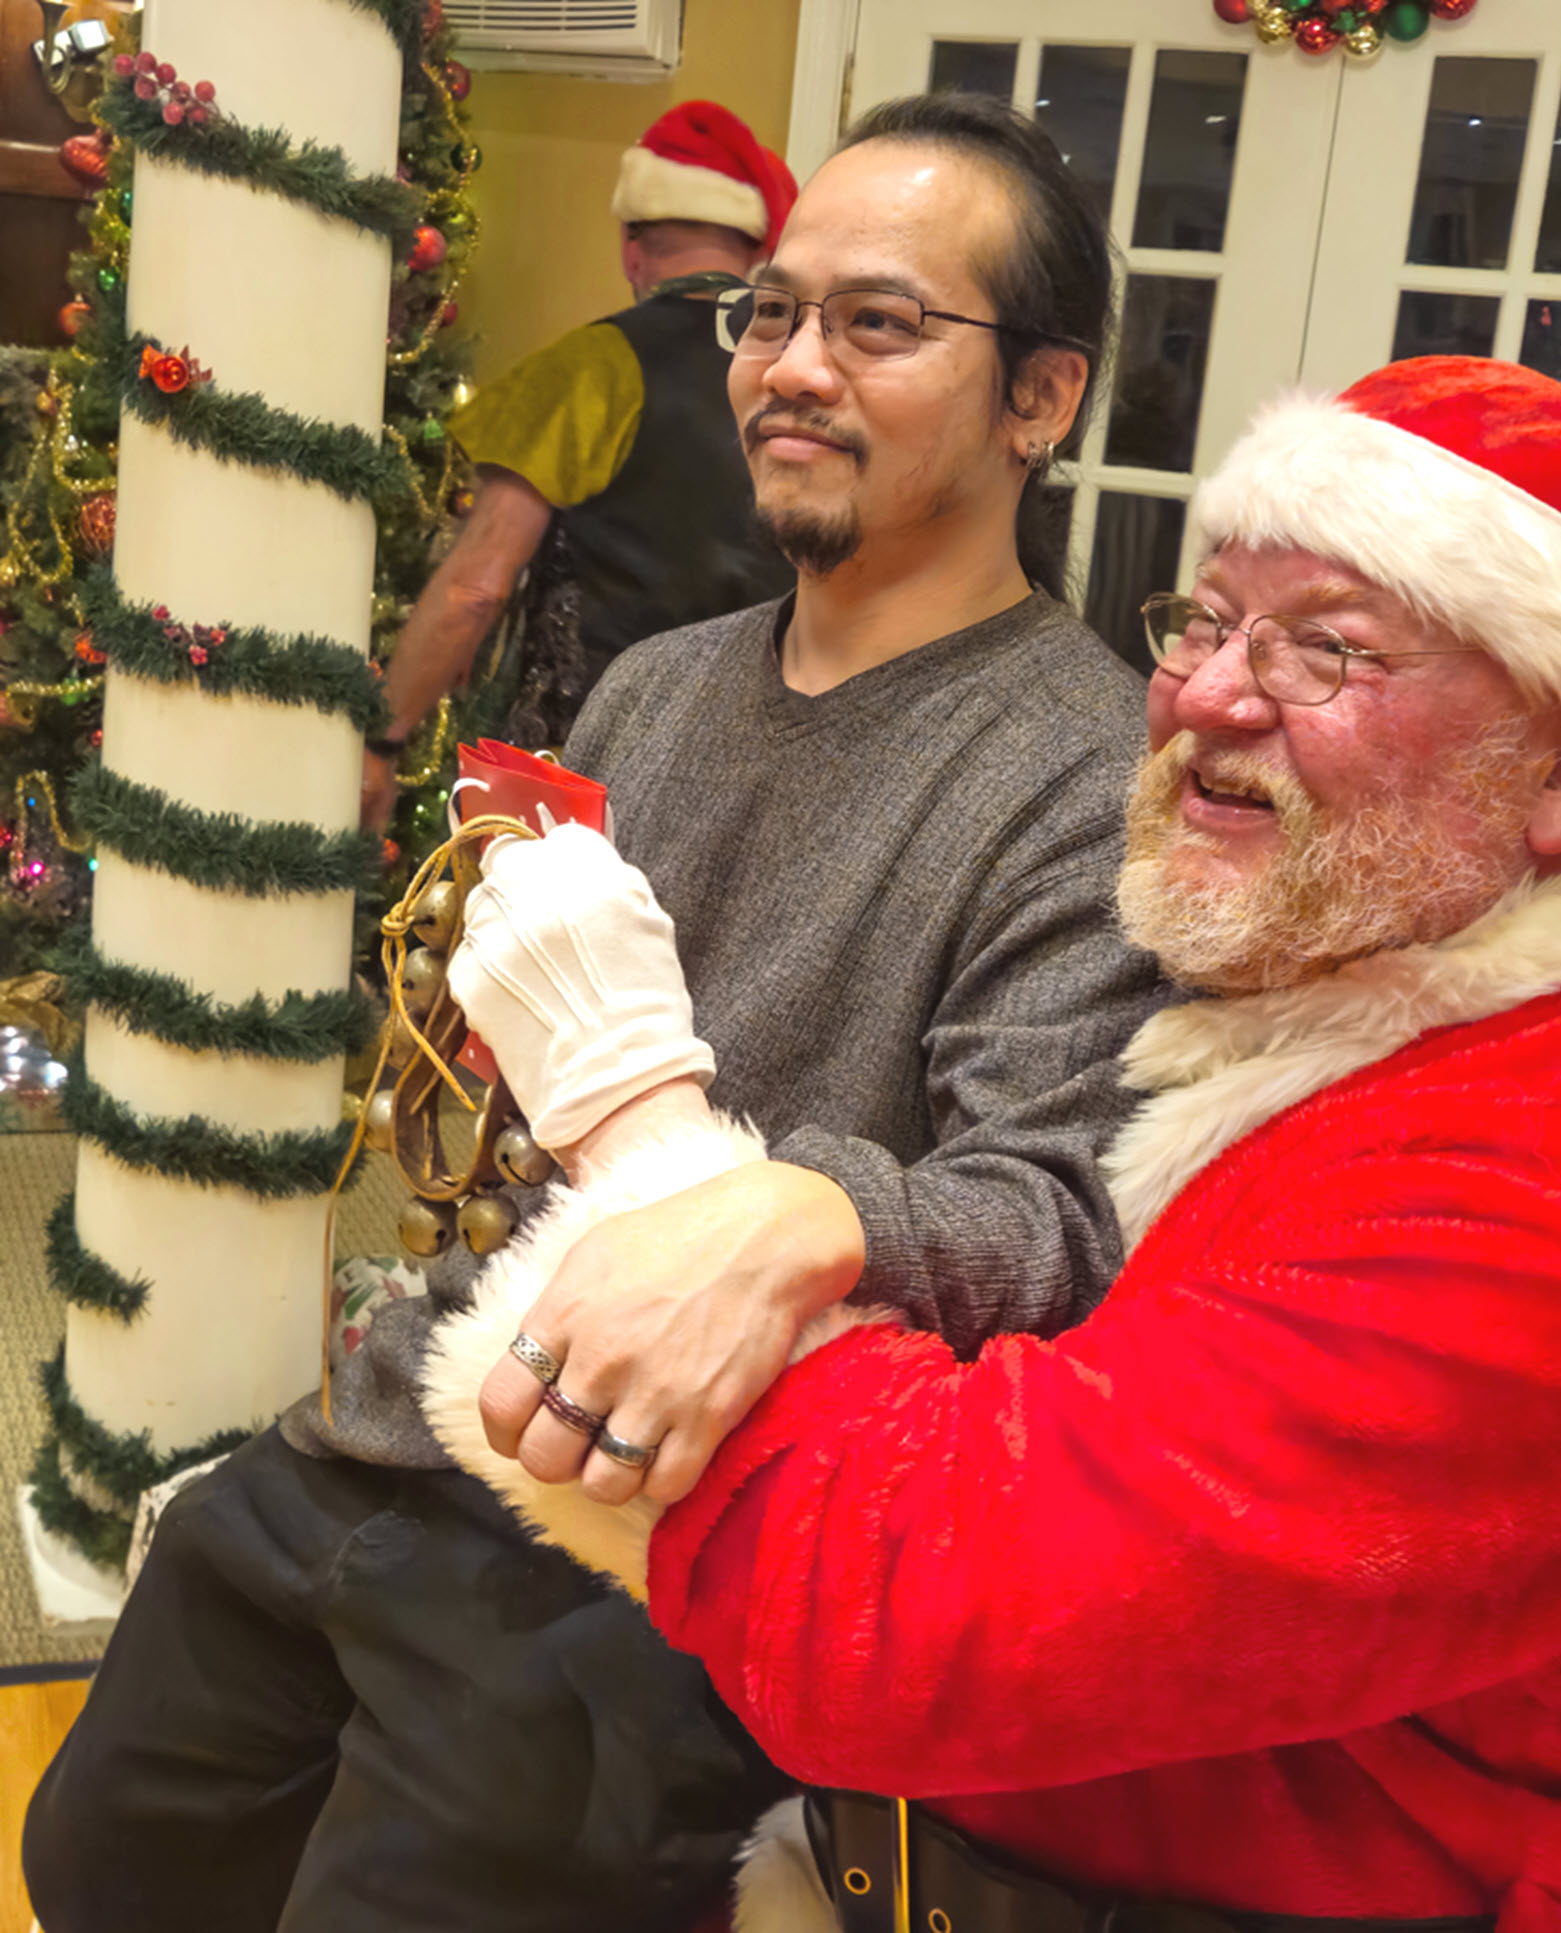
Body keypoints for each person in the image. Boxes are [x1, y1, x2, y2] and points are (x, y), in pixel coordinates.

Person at [449, 359, 1561, 1933]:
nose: (1205, 697)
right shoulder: (1390, 1018)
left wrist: (636, 1111)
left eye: (1328, 649)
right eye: (1203, 624)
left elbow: (902, 1623)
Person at [26, 95, 1172, 1933]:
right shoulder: (657, 685)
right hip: (400, 1423)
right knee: (107, 1857)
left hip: (649, 1554)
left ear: (1040, 396)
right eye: (770, 313)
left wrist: (781, 1208)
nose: (792, 367)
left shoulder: (1084, 776)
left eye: (878, 324)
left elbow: (1047, 1218)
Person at [360, 99, 797, 829]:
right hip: (766, 772)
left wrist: (382, 740)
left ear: (632, 246)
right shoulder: (800, 368)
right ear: (754, 248)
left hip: (594, 780)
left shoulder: (595, 367)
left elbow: (475, 588)